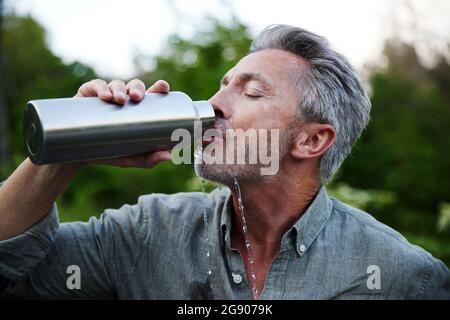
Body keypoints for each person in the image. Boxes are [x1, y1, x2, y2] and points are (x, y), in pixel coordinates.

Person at [0, 24, 449, 300]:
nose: (214, 104)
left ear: (312, 140)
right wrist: (63, 156)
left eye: (251, 92)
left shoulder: (401, 276)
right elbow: (13, 274)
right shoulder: (146, 233)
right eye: (222, 85)